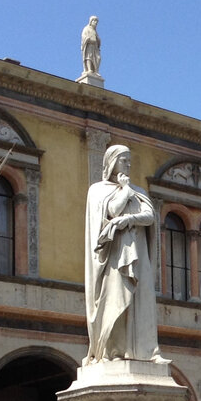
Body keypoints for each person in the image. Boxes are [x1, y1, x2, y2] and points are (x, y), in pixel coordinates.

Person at [84, 145, 162, 362]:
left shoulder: (140, 192)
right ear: (111, 162)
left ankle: (146, 351)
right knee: (116, 300)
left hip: (138, 253)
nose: (128, 165)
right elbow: (113, 211)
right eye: (123, 160)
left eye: (129, 160)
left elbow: (149, 217)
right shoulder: (98, 190)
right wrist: (125, 190)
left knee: (143, 299)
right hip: (115, 257)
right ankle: (115, 351)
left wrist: (128, 220)